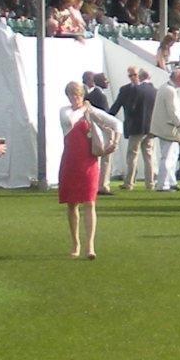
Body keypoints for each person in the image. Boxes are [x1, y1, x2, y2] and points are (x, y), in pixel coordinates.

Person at [57, 79, 119, 259]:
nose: (74, 98)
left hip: (89, 162)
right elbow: (71, 120)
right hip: (70, 162)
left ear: (82, 96)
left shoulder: (91, 112)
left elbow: (116, 124)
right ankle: (75, 243)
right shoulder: (65, 111)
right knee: (72, 204)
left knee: (90, 202)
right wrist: (85, 109)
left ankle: (90, 246)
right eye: (71, 95)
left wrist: (114, 141)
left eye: (77, 95)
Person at [114, 67, 156, 190]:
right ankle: (150, 183)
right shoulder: (155, 90)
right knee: (148, 156)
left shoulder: (137, 90)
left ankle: (129, 182)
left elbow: (131, 108)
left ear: (140, 76)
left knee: (132, 155)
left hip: (136, 127)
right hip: (150, 127)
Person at [149, 67, 180, 192]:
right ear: (175, 78)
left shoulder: (166, 88)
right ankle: (163, 184)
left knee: (173, 155)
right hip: (169, 128)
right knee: (168, 157)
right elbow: (174, 112)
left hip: (167, 128)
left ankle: (171, 181)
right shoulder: (170, 91)